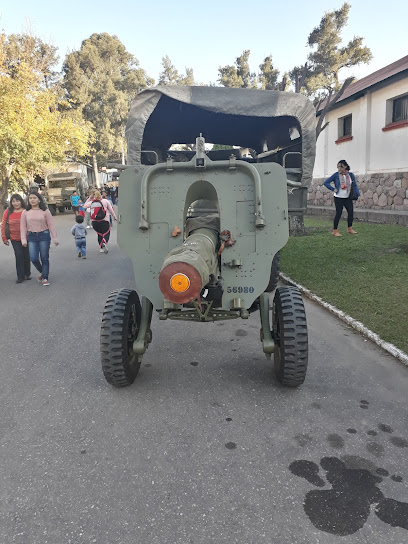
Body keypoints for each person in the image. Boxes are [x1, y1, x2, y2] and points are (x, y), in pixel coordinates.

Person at [20, 192, 59, 286]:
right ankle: (43, 271)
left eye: (34, 198)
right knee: (33, 258)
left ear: (39, 199)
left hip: (44, 235)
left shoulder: (45, 211)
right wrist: (23, 239)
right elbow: (23, 227)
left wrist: (55, 238)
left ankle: (45, 278)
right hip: (32, 236)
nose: (32, 200)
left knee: (44, 258)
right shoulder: (25, 212)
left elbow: (51, 225)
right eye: (30, 198)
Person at [323, 160, 360, 237]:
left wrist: (357, 194)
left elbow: (354, 185)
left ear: (345, 166)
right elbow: (326, 182)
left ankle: (350, 228)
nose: (339, 168)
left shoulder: (351, 175)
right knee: (338, 214)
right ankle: (335, 231)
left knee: (351, 213)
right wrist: (333, 189)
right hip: (338, 198)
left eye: (341, 166)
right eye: (338, 167)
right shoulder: (336, 175)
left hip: (348, 197)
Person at [1, 194, 31, 283]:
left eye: (17, 201)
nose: (16, 203)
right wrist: (4, 238)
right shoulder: (8, 211)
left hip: (27, 237)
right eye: (13, 201)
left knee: (26, 256)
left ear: (21, 201)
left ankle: (27, 273)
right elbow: (3, 225)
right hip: (14, 238)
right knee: (19, 255)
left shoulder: (26, 211)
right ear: (11, 203)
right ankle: (20, 276)